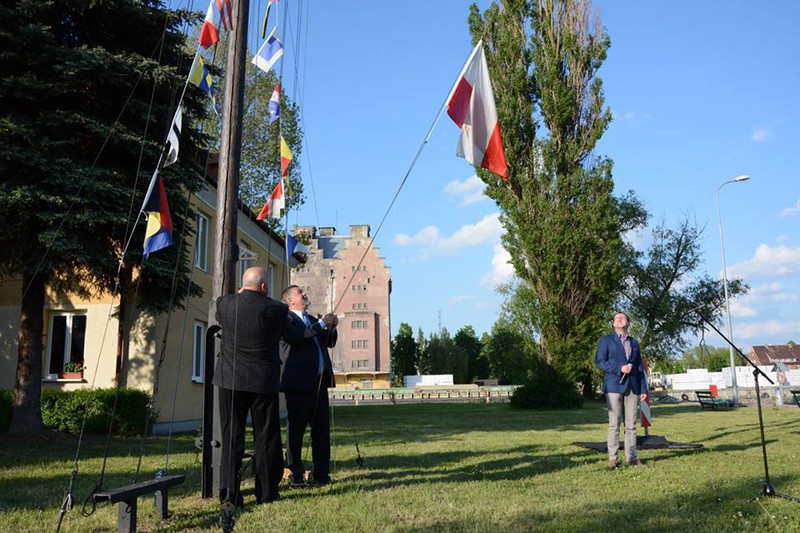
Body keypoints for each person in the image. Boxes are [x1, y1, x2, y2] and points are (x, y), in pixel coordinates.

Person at [213, 267, 289, 505]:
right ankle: (266, 493)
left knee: (231, 436)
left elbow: (222, 316)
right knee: (266, 437)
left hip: (229, 380)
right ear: (264, 287)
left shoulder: (224, 304)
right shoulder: (277, 309)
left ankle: (229, 493)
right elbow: (283, 331)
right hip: (262, 381)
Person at [279, 285, 338, 486]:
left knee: (321, 431)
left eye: (304, 291)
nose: (305, 293)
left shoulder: (313, 320)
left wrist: (331, 327)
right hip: (297, 385)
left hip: (319, 384)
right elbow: (297, 337)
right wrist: (322, 324)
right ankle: (296, 474)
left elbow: (328, 342)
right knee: (296, 432)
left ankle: (322, 473)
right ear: (290, 301)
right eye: (300, 292)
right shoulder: (285, 319)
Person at [594, 311, 648, 469]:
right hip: (613, 386)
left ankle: (631, 458)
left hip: (633, 387)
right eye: (616, 318)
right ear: (613, 323)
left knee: (631, 425)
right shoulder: (606, 340)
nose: (619, 319)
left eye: (622, 317)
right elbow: (599, 362)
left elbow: (639, 367)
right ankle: (613, 458)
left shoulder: (634, 343)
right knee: (614, 424)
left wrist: (643, 389)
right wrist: (619, 368)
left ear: (628, 322)